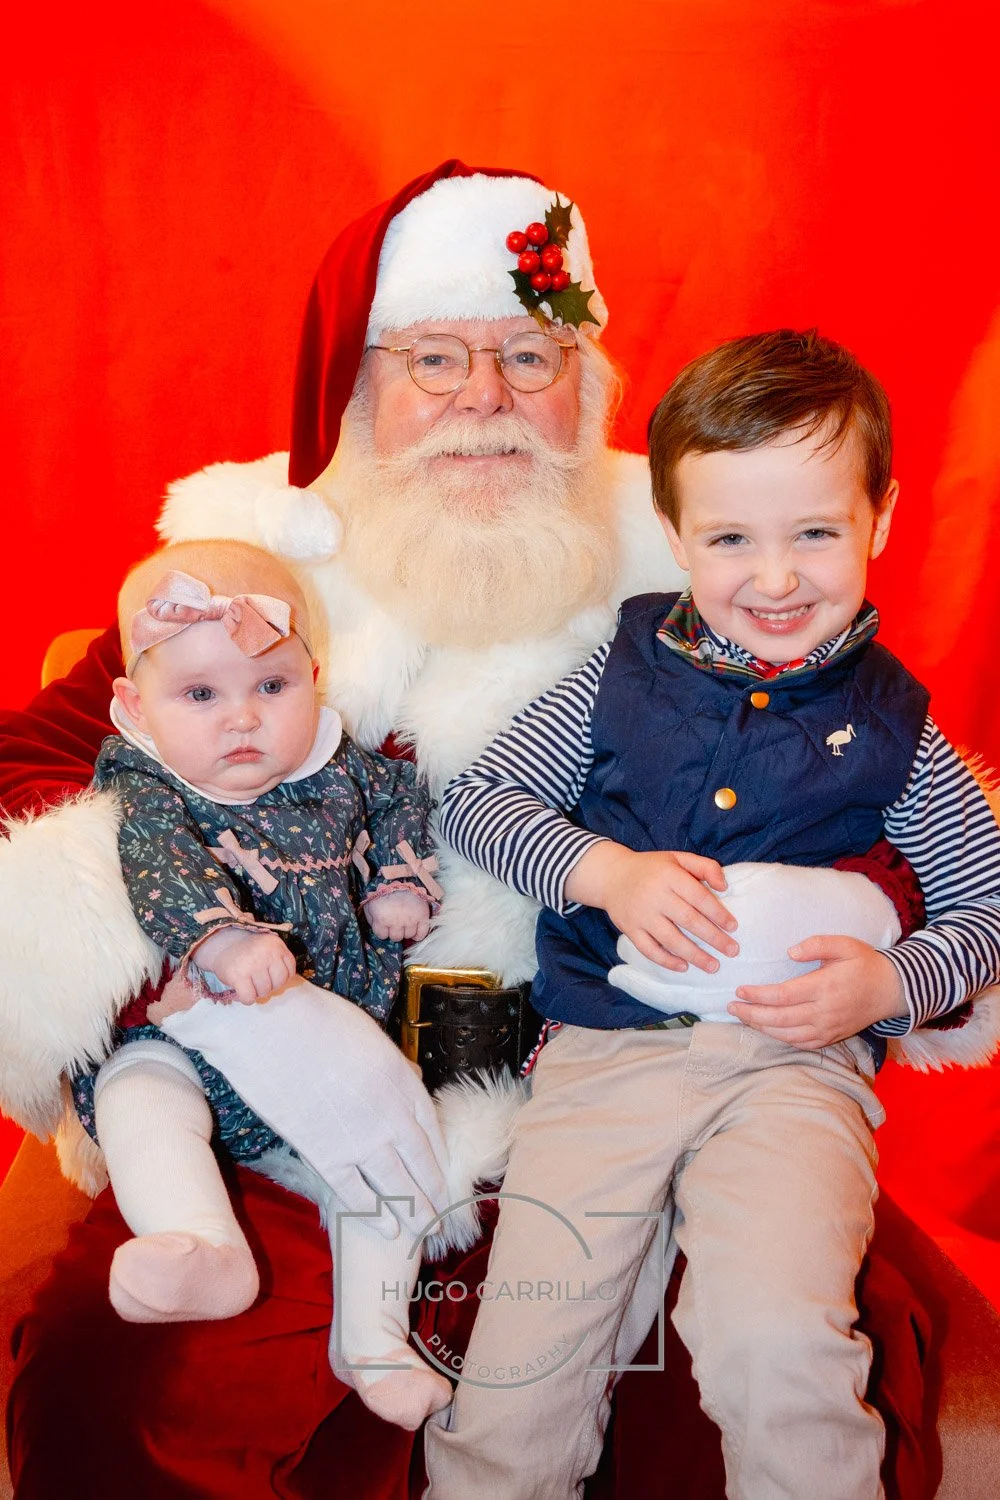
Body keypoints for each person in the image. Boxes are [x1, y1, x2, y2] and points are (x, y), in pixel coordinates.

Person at [0, 164, 989, 1498]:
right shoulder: (252, 570)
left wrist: (879, 964)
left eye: (529, 354)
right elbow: (47, 766)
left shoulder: (702, 566)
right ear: (360, 388)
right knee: (139, 1380)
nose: (485, 397)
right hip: (307, 1115)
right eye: (435, 357)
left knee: (771, 1367)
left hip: (650, 1072)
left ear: (585, 388)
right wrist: (198, 955)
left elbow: (932, 847)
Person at [428, 329, 1000, 1499]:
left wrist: (894, 987)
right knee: (521, 1363)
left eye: (816, 533)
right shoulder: (614, 674)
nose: (775, 578)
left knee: (778, 1341)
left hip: (794, 1074)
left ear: (880, 520)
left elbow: (985, 908)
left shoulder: (901, 729)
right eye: (730, 539)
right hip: (600, 1059)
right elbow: (477, 802)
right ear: (677, 533)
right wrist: (606, 873)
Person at [71, 535, 491, 1430]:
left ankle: (375, 1343)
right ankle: (202, 1243)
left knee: (391, 1163)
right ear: (134, 708)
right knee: (136, 1098)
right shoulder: (147, 779)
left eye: (272, 686)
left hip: (328, 1044)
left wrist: (403, 880)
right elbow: (157, 862)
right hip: (192, 1034)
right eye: (199, 695)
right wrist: (218, 940)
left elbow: (405, 801)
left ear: (314, 673)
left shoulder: (342, 764)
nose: (243, 720)